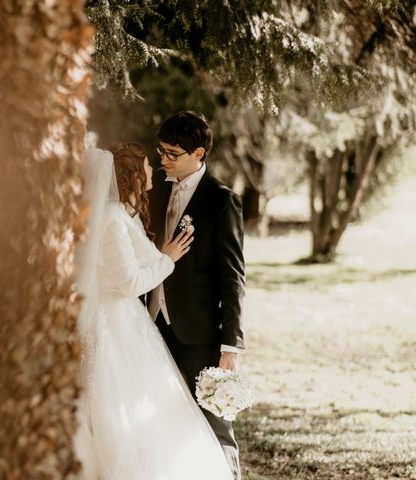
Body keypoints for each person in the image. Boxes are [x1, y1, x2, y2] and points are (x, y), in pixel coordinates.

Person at [74, 142, 234, 480]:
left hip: (125, 321)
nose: (153, 170)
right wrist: (168, 261)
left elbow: (137, 260)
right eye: (147, 165)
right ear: (132, 175)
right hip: (114, 324)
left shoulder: (118, 215)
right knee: (118, 404)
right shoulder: (113, 220)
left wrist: (160, 256)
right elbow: (131, 282)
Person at [148, 111, 246, 479]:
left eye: (173, 153)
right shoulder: (155, 189)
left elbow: (233, 278)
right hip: (151, 327)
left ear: (199, 154)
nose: (164, 160)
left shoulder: (221, 201)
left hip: (198, 334)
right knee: (162, 417)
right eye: (161, 151)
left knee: (214, 420)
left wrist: (230, 346)